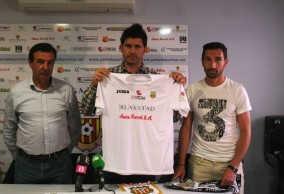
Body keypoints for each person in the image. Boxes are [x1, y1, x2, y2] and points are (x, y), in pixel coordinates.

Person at [82, 23, 188, 184]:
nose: (132, 50)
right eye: (128, 46)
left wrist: (176, 88)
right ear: (121, 48)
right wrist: (95, 85)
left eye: (137, 46)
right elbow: (87, 110)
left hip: (147, 161)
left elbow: (174, 118)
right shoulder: (107, 78)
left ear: (145, 49)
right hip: (115, 160)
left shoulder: (160, 81)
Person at [173, 42, 252, 194]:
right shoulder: (192, 90)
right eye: (208, 59)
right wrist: (181, 164)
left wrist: (233, 166)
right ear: (202, 61)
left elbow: (246, 131)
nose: (213, 64)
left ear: (226, 62)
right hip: (199, 163)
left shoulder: (237, 90)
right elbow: (186, 128)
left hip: (230, 163)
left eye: (218, 59)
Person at [3, 43, 82, 184]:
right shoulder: (16, 92)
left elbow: (74, 126)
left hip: (60, 165)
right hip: (26, 165)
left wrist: (63, 153)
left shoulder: (66, 90)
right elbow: (9, 129)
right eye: (40, 62)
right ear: (30, 63)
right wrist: (19, 156)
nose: (45, 67)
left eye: (50, 62)